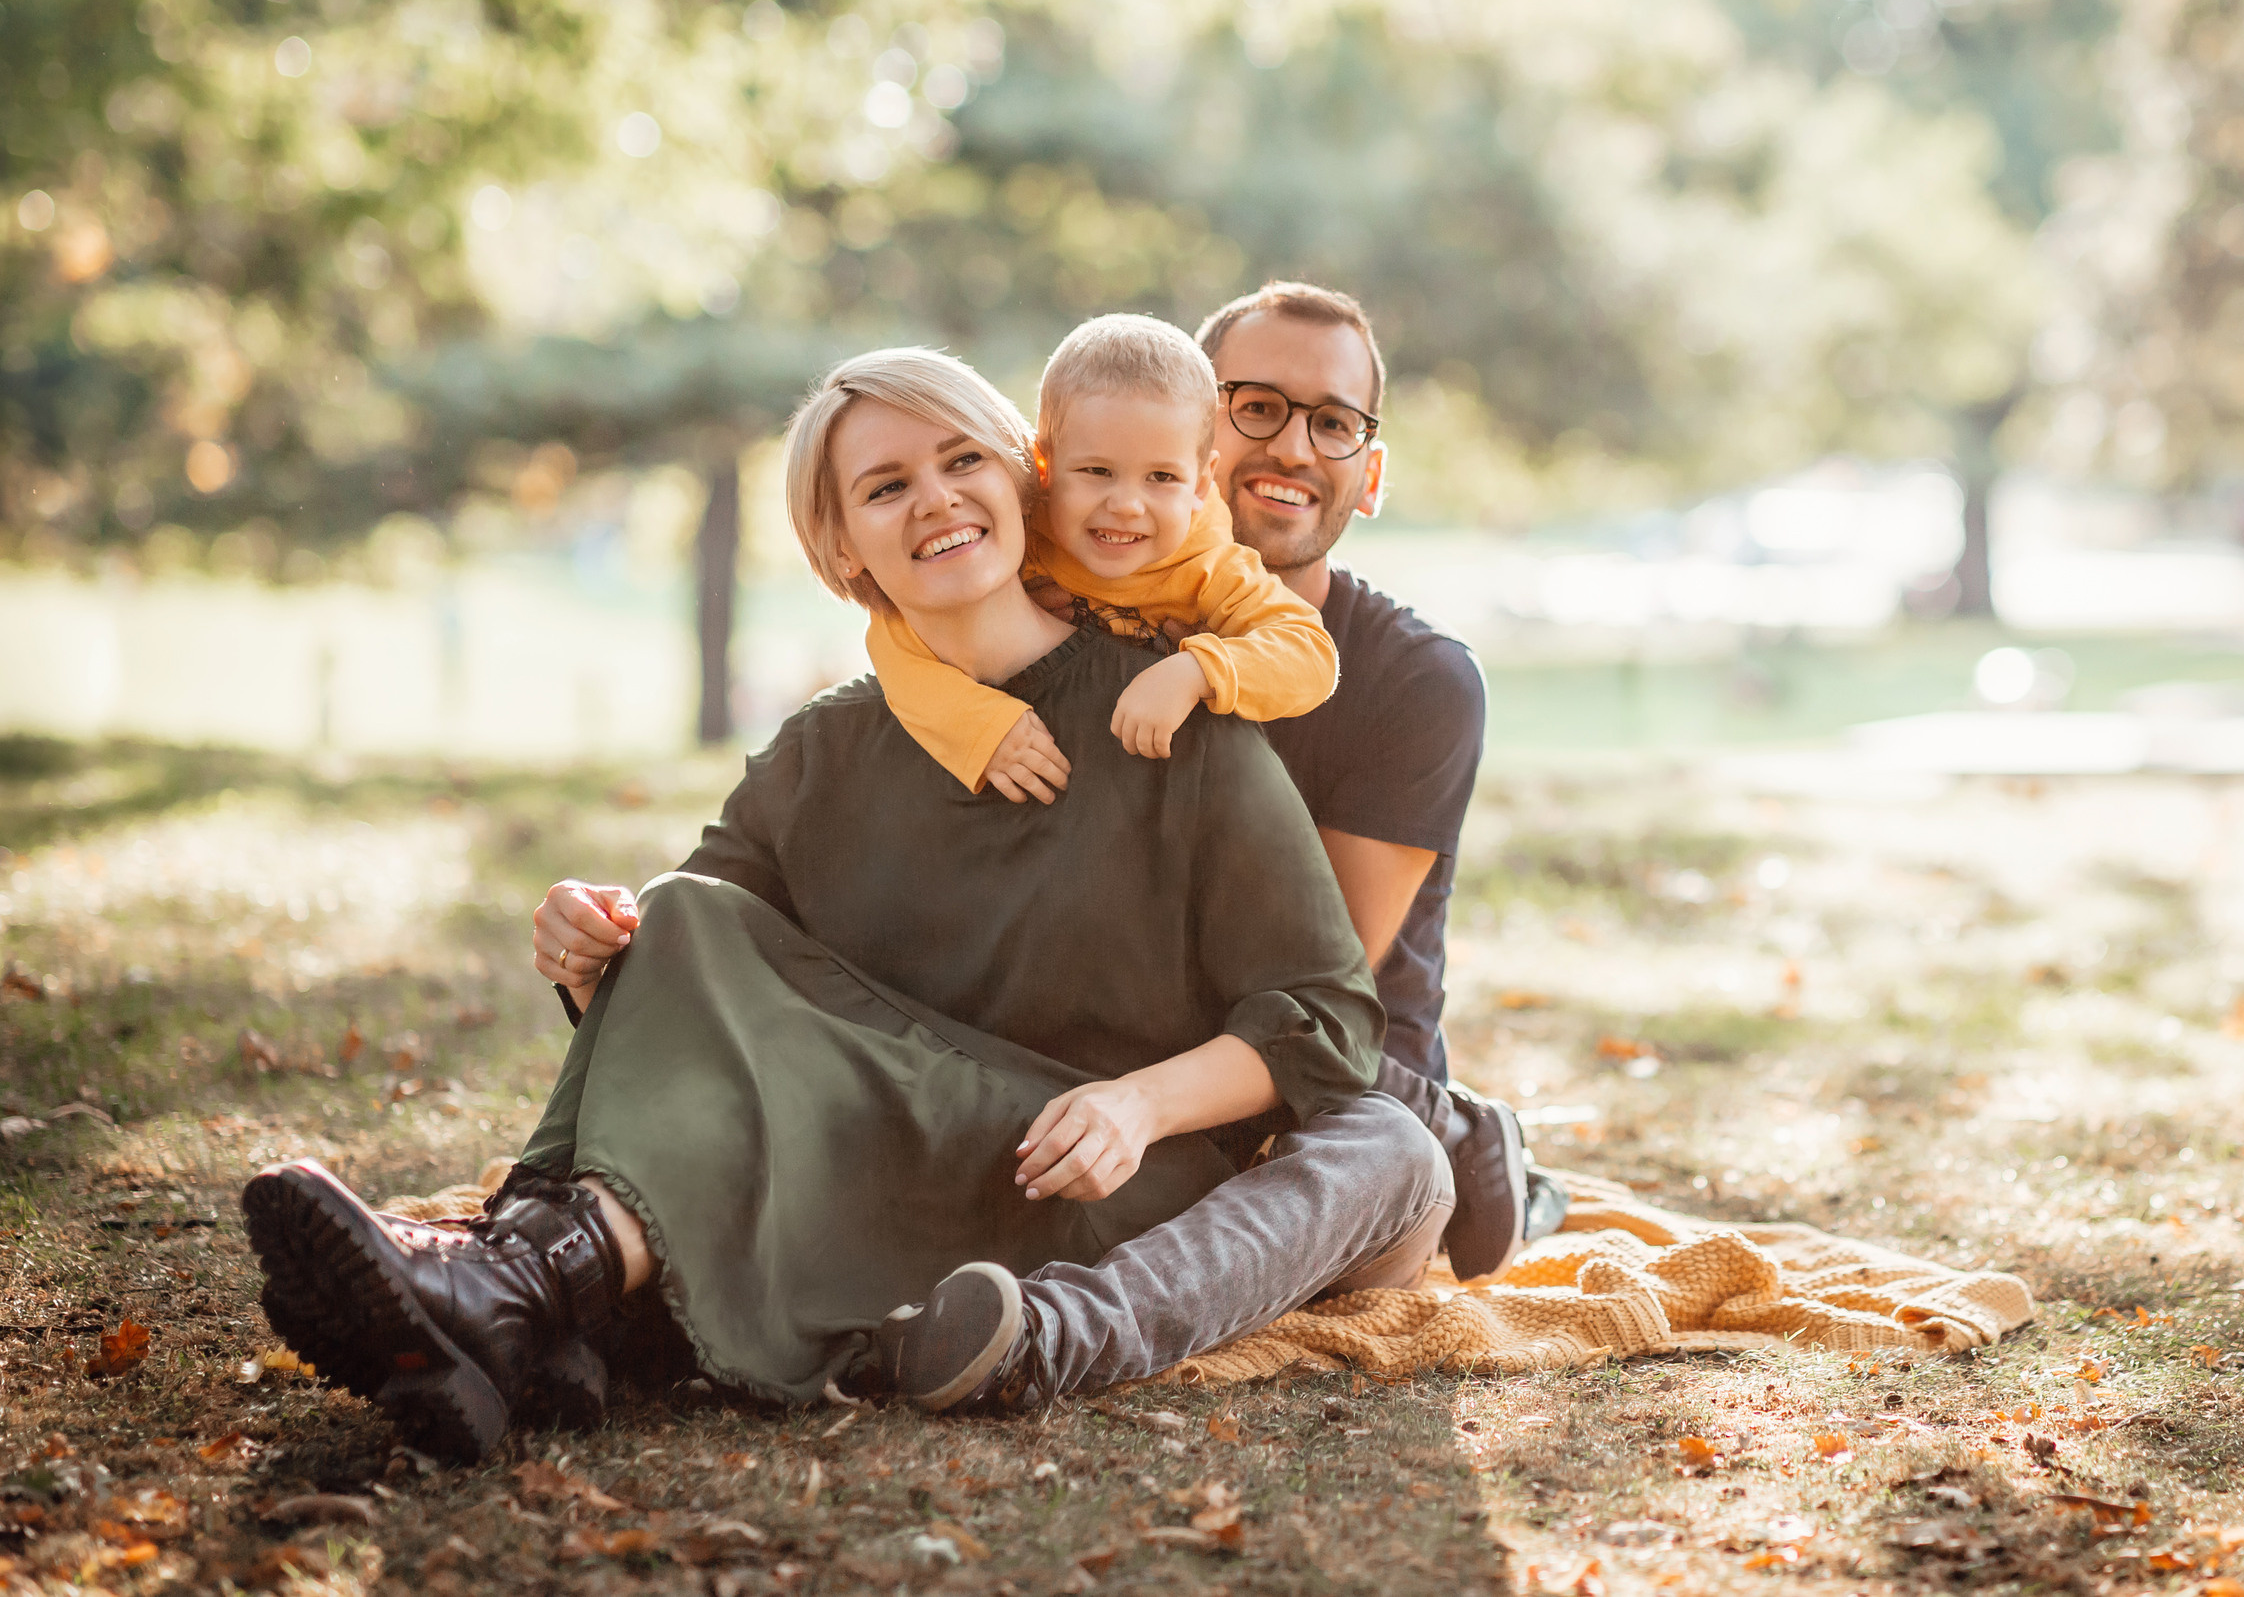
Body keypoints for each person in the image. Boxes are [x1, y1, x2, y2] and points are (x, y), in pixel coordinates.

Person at [240, 347, 1451, 1463]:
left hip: (1064, 1185)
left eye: (962, 460)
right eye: (884, 487)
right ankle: (528, 1289)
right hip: (864, 1170)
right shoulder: (823, 754)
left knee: (1390, 1141)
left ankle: (536, 1298)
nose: (934, 500)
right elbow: (680, 979)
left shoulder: (1176, 725)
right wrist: (585, 943)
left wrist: (1137, 1108)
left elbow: (1328, 1023)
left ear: (1024, 485)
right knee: (683, 912)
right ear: (839, 550)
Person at [1195, 282, 1570, 1274]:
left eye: (1332, 424)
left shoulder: (1419, 682)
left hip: (1336, 1080)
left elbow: (1306, 985)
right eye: (1256, 406)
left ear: (1368, 474)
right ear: (1189, 426)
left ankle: (1454, 1134)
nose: (1292, 449)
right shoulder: (1103, 633)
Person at [866, 313, 1335, 803]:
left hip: (1153, 788)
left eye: (1161, 478)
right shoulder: (1016, 536)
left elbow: (1310, 654)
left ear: (1200, 483)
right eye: (1097, 470)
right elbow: (895, 632)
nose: (1127, 505)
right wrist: (976, 726)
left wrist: (1195, 671)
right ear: (1042, 465)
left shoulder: (1212, 566)